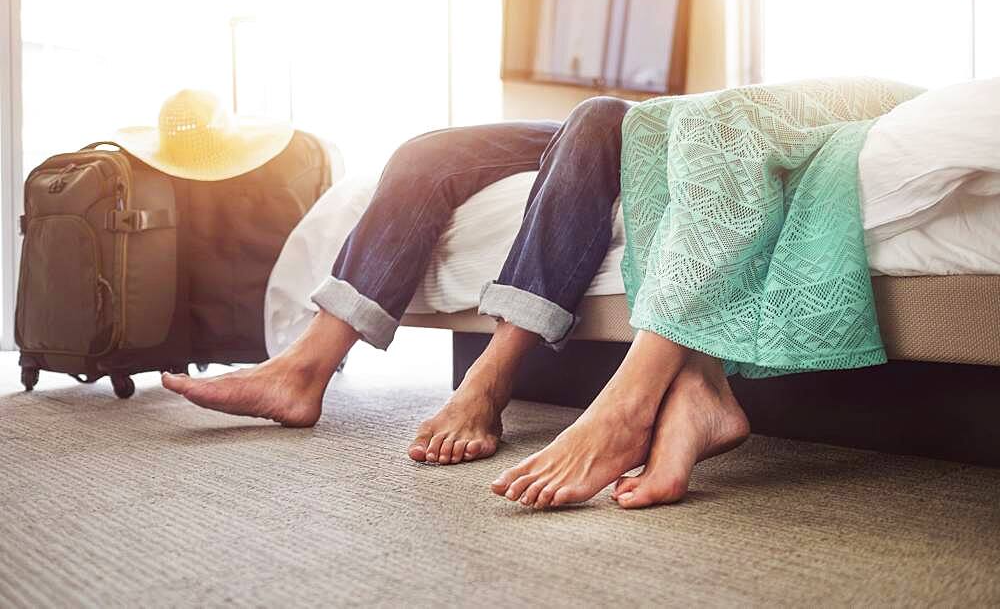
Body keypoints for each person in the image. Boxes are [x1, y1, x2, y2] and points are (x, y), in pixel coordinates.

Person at [162, 95, 751, 509]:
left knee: (599, 116)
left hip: (679, 119)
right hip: (650, 115)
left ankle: (489, 378)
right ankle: (304, 368)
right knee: (430, 152)